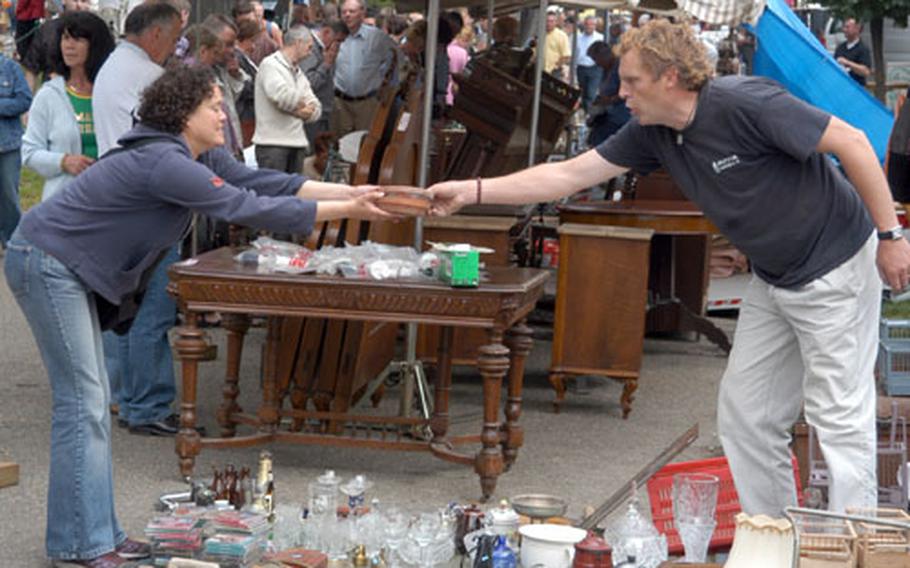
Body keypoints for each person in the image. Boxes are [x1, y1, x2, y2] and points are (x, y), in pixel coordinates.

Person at [430, 19, 910, 516]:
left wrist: (890, 236)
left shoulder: (746, 102)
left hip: (836, 264)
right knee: (746, 416)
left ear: (671, 77)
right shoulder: (653, 133)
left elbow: (852, 141)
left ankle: (859, 541)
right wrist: (472, 191)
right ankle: (774, 539)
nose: (621, 92)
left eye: (632, 81)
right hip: (777, 276)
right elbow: (569, 174)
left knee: (838, 416)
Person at [4, 65, 395, 568]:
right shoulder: (166, 162)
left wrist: (351, 196)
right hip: (46, 260)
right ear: (184, 113)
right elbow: (243, 205)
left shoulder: (192, 153)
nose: (222, 114)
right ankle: (82, 545)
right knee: (83, 404)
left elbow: (258, 180)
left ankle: (98, 536)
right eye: (213, 106)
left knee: (91, 405)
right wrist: (349, 210)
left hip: (63, 264)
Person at [93, 2, 184, 437]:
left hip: (120, 201)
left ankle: (130, 398)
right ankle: (146, 403)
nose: (174, 48)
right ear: (155, 35)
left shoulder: (113, 66)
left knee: (125, 309)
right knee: (153, 310)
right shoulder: (149, 76)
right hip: (150, 204)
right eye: (173, 38)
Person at [22, 11, 115, 202]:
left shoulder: (113, 93)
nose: (69, 46)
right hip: (64, 206)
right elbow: (29, 152)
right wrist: (63, 162)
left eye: (78, 39)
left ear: (95, 45)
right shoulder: (49, 96)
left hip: (109, 202)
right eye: (65, 38)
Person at [253, 25, 321, 173]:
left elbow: (316, 107)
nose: (310, 53)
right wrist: (302, 106)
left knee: (293, 193)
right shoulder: (270, 65)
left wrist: (306, 110)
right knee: (273, 192)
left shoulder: (298, 72)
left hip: (297, 144)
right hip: (272, 145)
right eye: (309, 47)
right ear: (298, 43)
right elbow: (281, 96)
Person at [332, 0, 397, 136]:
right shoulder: (335, 36)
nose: (347, 15)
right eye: (344, 12)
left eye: (352, 11)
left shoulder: (377, 37)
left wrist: (388, 87)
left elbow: (398, 60)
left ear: (362, 13)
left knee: (364, 146)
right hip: (340, 103)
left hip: (367, 103)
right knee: (339, 146)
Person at [300, 19, 349, 146]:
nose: (338, 45)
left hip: (323, 113)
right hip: (312, 115)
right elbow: (308, 83)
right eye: (338, 40)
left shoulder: (326, 49)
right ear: (326, 32)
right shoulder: (311, 48)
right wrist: (326, 64)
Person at [0, 53, 31, 249]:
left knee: (9, 195)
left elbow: (25, 100)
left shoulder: (10, 67)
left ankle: (13, 243)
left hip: (8, 145)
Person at [575, 15, 604, 112]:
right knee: (582, 93)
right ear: (584, 25)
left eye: (592, 24)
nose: (589, 27)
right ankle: (585, 112)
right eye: (587, 24)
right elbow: (575, 53)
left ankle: (589, 115)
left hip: (594, 68)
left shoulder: (600, 38)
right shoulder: (578, 37)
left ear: (595, 26)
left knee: (591, 94)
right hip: (581, 67)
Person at [834, 18, 872, 86]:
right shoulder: (840, 48)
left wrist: (848, 63)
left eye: (847, 27)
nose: (844, 30)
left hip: (856, 89)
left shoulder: (863, 49)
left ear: (857, 29)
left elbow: (866, 71)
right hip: (840, 87)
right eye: (844, 27)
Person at [543, 11, 570, 80]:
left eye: (551, 21)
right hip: (539, 70)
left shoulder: (562, 36)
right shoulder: (540, 34)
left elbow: (566, 56)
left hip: (554, 72)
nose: (548, 23)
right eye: (547, 21)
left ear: (556, 22)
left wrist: (556, 67)